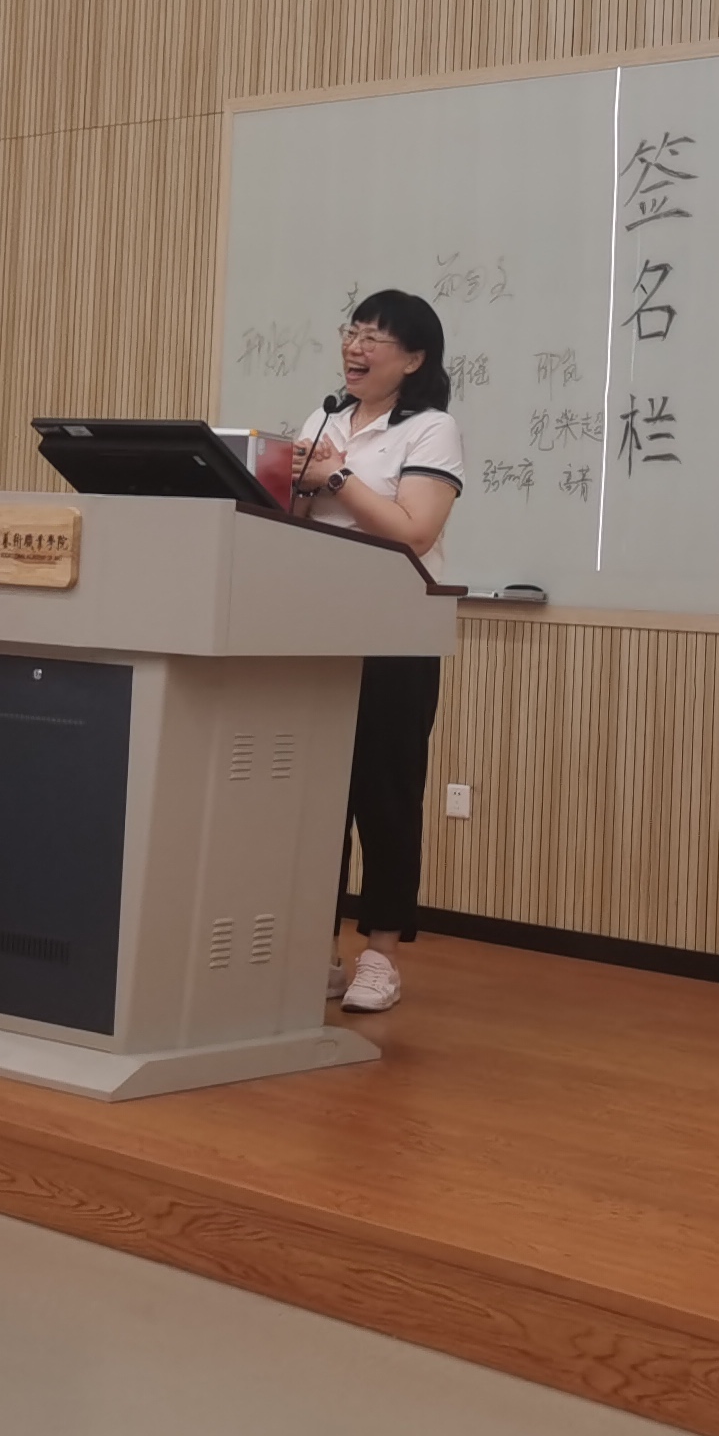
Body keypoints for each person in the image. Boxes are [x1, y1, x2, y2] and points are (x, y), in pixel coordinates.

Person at [283, 289, 460, 1015]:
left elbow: (415, 531)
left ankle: (381, 953)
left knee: (383, 793)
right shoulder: (323, 419)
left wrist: (335, 478)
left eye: (374, 338)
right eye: (352, 332)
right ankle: (316, 948)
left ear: (413, 359)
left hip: (394, 631)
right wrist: (293, 487)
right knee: (313, 796)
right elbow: (292, 517)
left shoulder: (432, 429)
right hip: (314, 627)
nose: (355, 347)